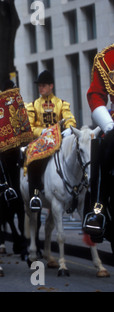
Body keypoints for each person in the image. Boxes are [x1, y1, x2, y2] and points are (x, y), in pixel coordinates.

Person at [25, 70, 77, 210]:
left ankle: (78, 193)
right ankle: (35, 195)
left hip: (59, 140)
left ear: (51, 86)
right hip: (42, 142)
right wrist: (41, 131)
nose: (40, 88)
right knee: (32, 157)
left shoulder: (61, 104)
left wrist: (68, 129)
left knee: (78, 156)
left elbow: (70, 119)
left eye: (44, 85)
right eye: (39, 85)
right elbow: (29, 127)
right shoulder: (33, 105)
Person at [84, 43, 114, 240]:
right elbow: (95, 95)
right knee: (104, 144)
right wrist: (109, 125)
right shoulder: (107, 58)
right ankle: (98, 209)